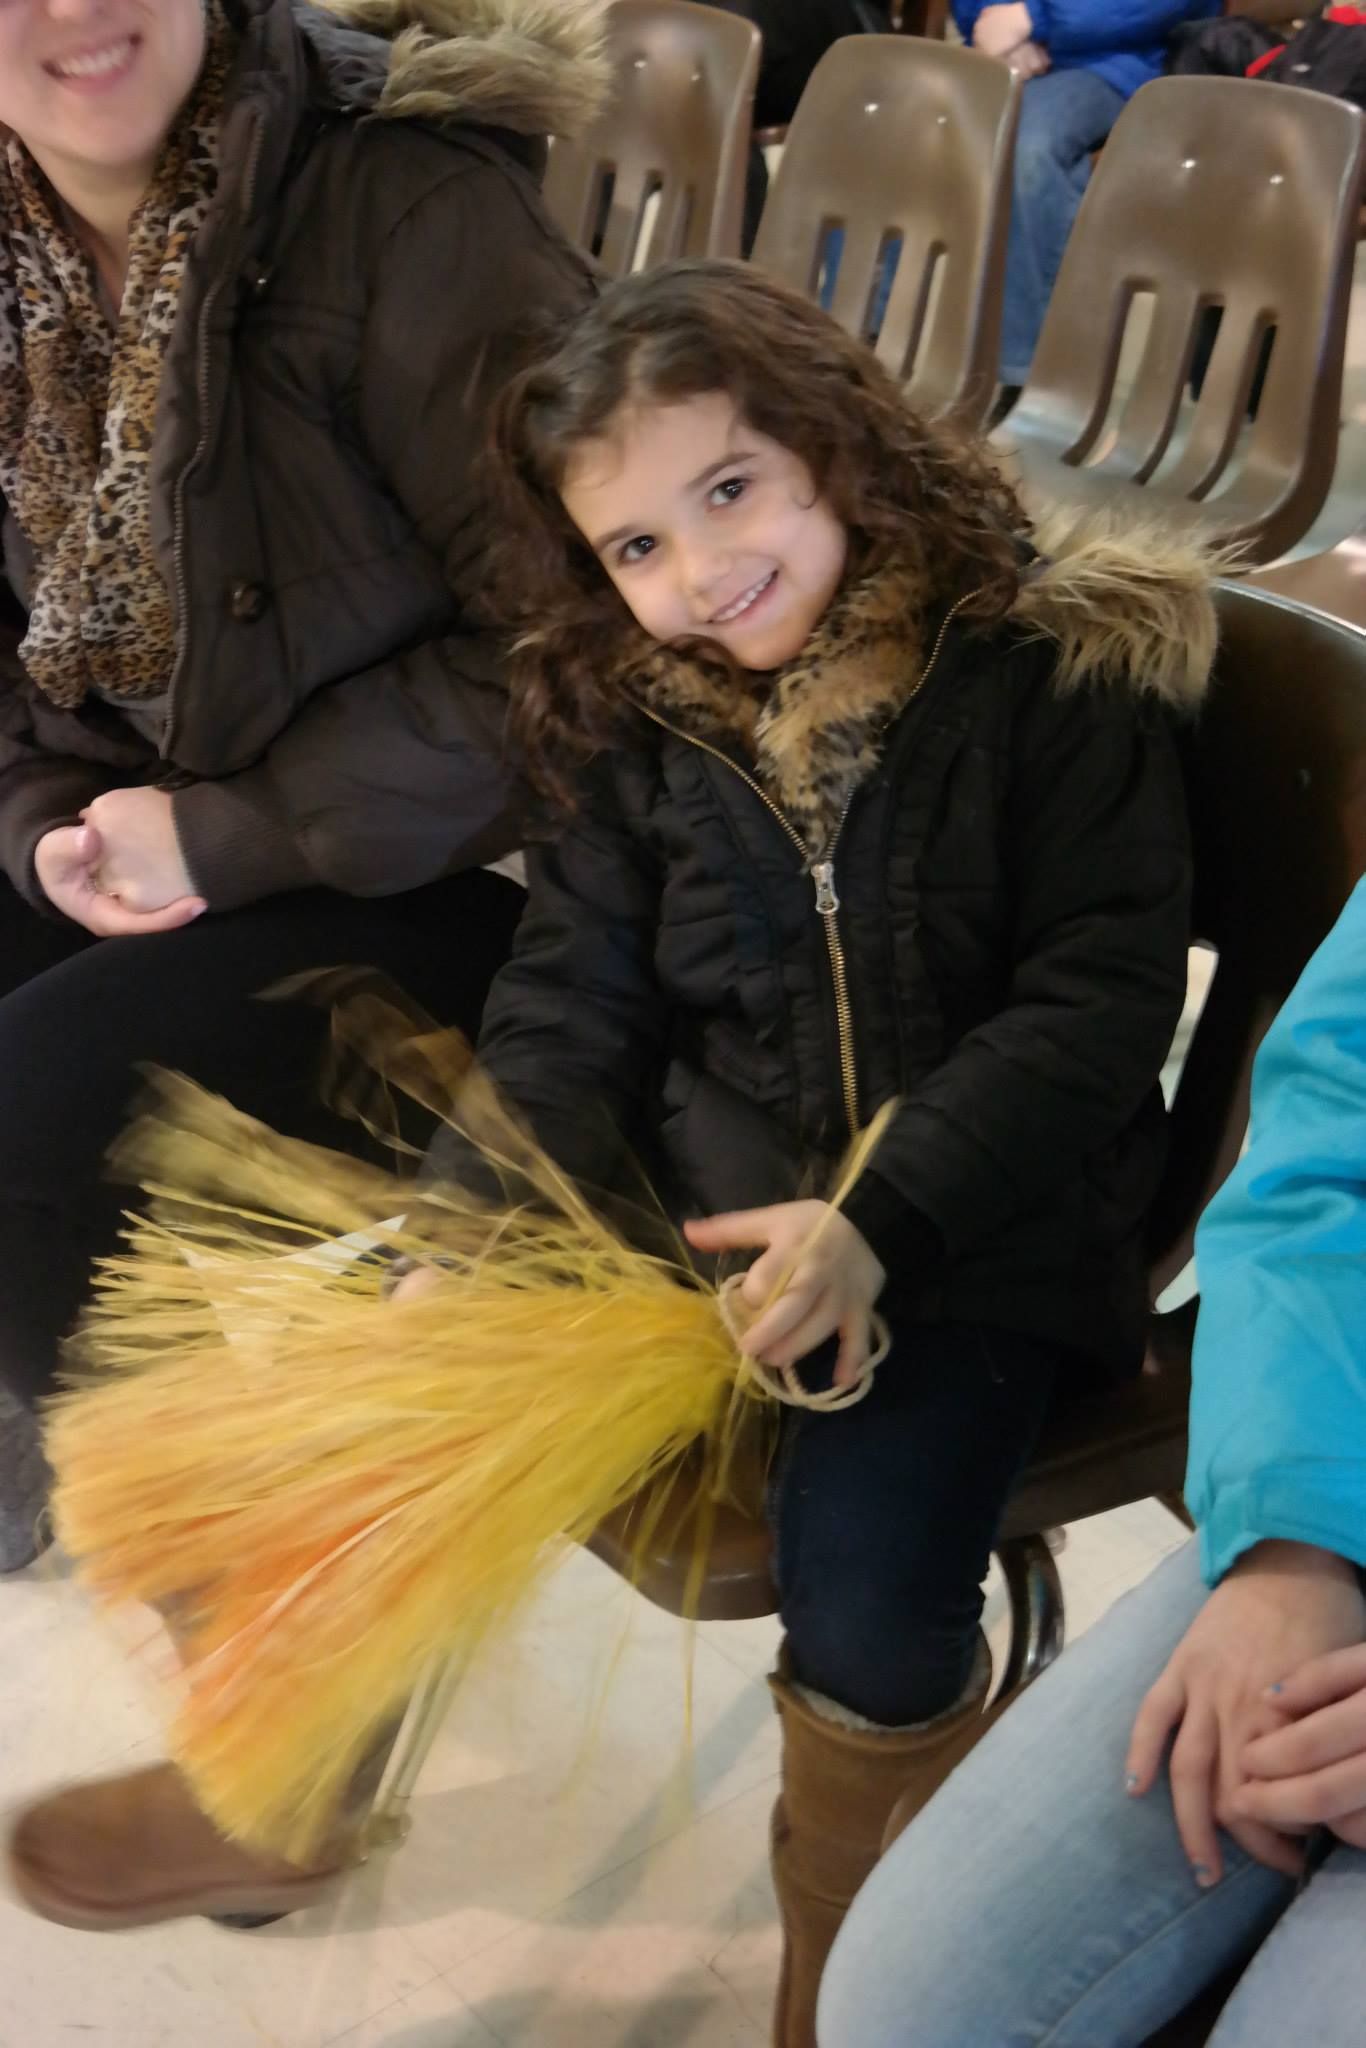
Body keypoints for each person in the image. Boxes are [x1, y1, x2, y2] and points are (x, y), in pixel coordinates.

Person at [0, 0, 602, 1572]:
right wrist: (43, 822)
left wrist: (227, 833)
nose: (71, 12)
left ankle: (273, 1650)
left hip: (509, 885)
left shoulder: (409, 200)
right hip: (185, 811)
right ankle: (74, 1407)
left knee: (31, 1129)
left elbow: (587, 649)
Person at [818, 876, 1366, 2047]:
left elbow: (1083, 1008)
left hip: (987, 1264)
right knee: (903, 2002)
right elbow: (1326, 1149)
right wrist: (1291, 1542)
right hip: (1338, 1461)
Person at [953, 0, 1219, 396]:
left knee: (1029, 147)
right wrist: (993, 23)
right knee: (885, 97)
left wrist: (1032, 19)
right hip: (1013, 50)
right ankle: (862, 339)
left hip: (1123, 61)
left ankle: (1030, 374)